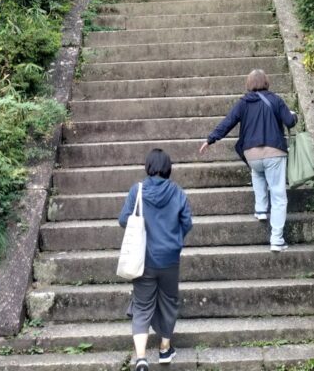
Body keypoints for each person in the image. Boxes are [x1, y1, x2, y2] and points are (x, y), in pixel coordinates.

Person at [199, 68, 296, 252]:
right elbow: (290, 122)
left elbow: (228, 122)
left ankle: (260, 209)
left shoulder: (243, 103)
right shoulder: (275, 100)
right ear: (266, 82)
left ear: (249, 84)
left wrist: (210, 139)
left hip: (251, 154)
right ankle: (276, 239)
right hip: (274, 151)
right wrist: (294, 116)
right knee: (278, 196)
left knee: (258, 172)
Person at [118, 148, 193, 371]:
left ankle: (141, 358)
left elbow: (124, 220)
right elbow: (187, 222)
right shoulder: (178, 192)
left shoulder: (137, 190)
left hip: (144, 258)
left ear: (148, 166)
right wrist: (175, 239)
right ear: (168, 167)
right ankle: (164, 349)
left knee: (142, 305)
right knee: (169, 302)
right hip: (170, 258)